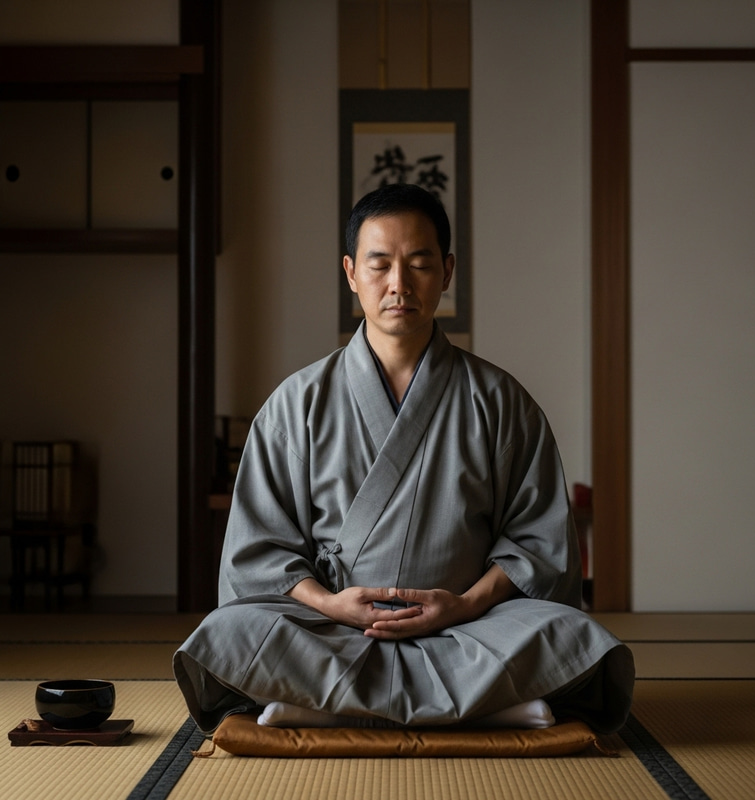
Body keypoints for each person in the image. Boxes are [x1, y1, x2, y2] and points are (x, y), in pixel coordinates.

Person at [173, 183, 634, 735]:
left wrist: (461, 607)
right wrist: (333, 605)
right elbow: (259, 550)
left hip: (468, 627)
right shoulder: (297, 403)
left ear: (447, 271)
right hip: (334, 630)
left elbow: (539, 543)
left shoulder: (499, 400)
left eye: (418, 264)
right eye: (380, 264)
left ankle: (318, 705)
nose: (398, 284)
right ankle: (495, 707)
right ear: (350, 273)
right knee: (229, 632)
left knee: (568, 633)